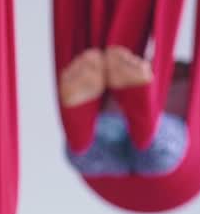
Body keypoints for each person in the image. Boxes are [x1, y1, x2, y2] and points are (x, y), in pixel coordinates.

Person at [58, 45, 190, 177]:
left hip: (118, 127)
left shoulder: (194, 84)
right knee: (163, 152)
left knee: (85, 152)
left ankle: (82, 133)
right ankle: (141, 113)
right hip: (130, 128)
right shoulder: (121, 69)